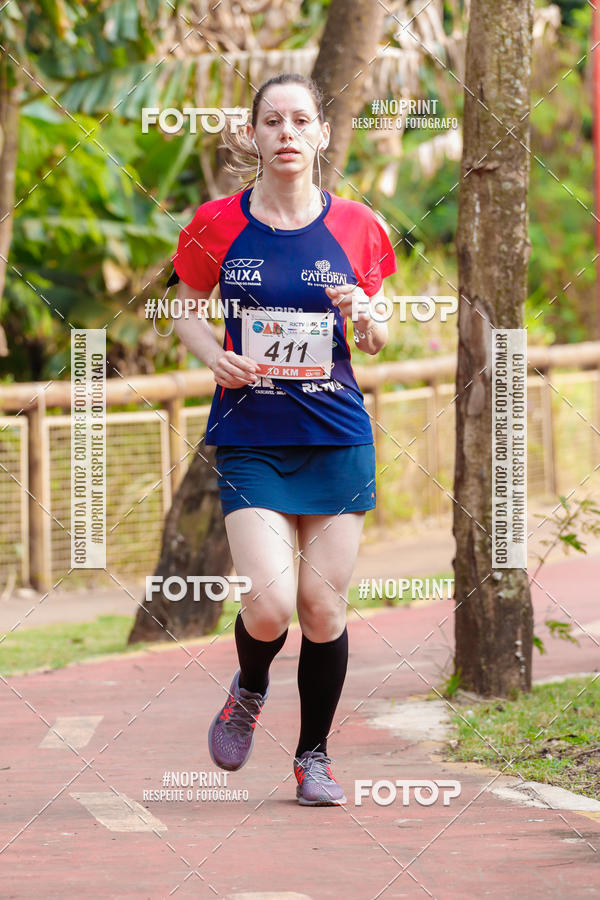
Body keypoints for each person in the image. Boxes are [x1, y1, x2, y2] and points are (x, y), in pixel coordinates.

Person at [171, 72, 396, 806]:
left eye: (302, 120)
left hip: (336, 435)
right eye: (273, 122)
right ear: (253, 136)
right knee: (269, 604)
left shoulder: (359, 226)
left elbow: (380, 332)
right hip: (252, 434)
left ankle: (314, 759)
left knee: (324, 610)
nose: (288, 133)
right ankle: (249, 688)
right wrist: (213, 356)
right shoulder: (216, 224)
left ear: (322, 135)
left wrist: (365, 316)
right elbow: (183, 311)